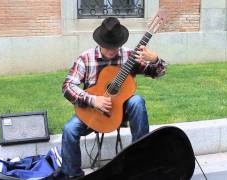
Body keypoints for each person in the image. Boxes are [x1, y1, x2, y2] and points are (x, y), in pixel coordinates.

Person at [60, 17, 168, 179]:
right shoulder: (86, 58)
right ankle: (73, 176)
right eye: (107, 47)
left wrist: (154, 59)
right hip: (92, 111)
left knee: (137, 101)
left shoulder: (130, 56)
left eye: (115, 46)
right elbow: (67, 86)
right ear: (100, 42)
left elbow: (159, 72)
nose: (111, 51)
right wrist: (92, 100)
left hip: (121, 111)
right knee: (69, 130)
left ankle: (141, 163)